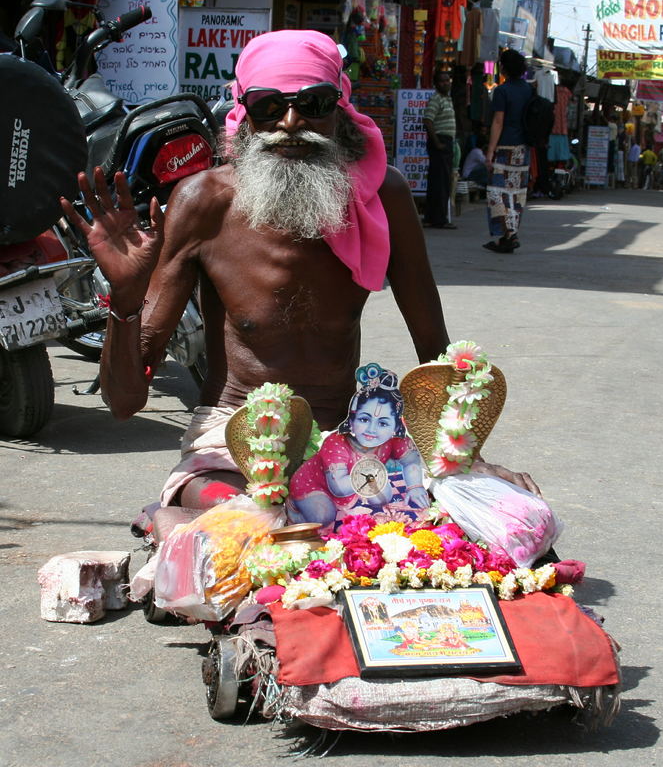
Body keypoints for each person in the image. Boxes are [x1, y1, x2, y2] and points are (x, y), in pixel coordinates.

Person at [61, 29, 539, 514]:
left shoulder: (384, 196)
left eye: (313, 102)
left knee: (508, 518)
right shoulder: (204, 200)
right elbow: (124, 403)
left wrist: (467, 460)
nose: (290, 122)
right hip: (231, 443)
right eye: (269, 106)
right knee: (241, 519)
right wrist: (124, 297)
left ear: (341, 108)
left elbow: (434, 353)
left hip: (351, 443)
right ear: (245, 113)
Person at [286, 364, 428, 533]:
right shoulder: (336, 442)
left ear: (395, 426)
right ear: (351, 419)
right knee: (322, 518)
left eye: (383, 423)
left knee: (382, 500)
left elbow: (411, 460)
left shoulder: (394, 439)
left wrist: (415, 486)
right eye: (364, 419)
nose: (371, 429)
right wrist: (374, 479)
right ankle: (295, 508)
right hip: (315, 485)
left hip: (357, 482)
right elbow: (338, 487)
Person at [483, 49, 531, 254]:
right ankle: (510, 234)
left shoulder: (502, 91)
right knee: (516, 194)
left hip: (504, 148)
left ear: (505, 67)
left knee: (497, 193)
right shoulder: (529, 90)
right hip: (523, 149)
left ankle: (507, 235)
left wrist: (490, 151)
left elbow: (498, 121)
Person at [423, 69, 458, 229]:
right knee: (440, 181)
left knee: (442, 180)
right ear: (436, 84)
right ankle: (438, 218)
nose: (446, 83)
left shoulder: (447, 99)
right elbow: (428, 120)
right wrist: (437, 142)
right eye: (442, 81)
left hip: (446, 142)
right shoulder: (436, 99)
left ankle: (434, 216)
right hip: (441, 142)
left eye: (447, 80)